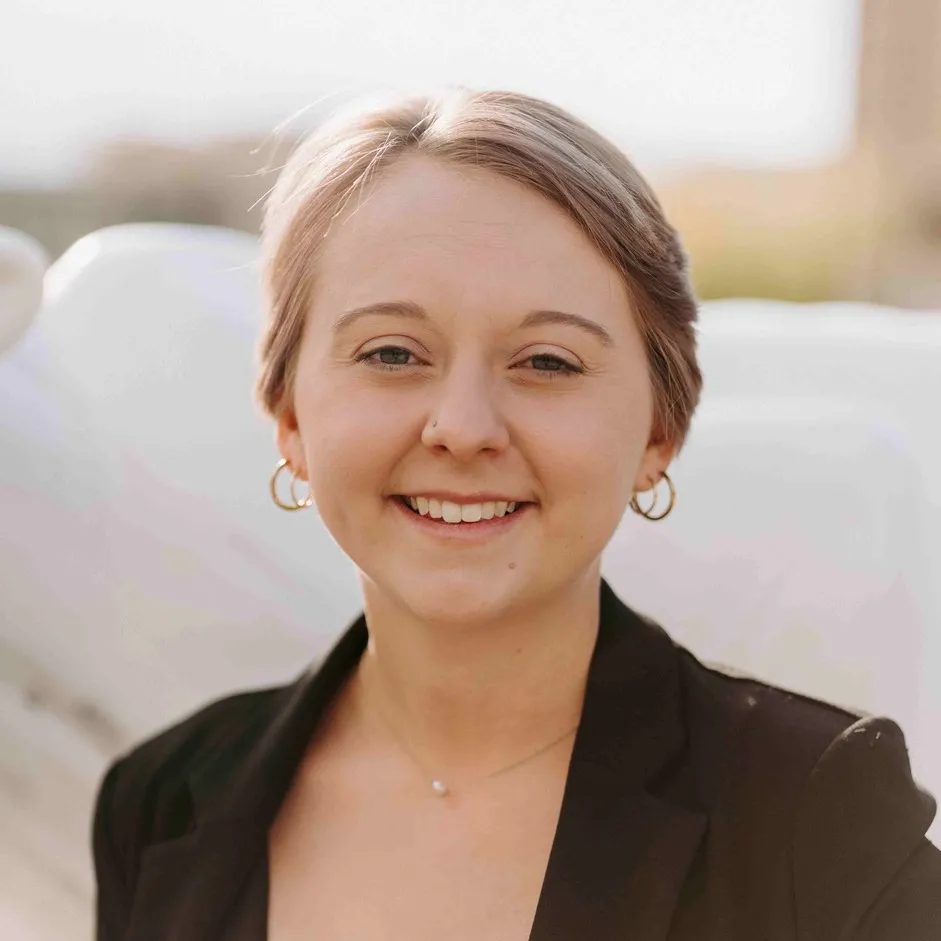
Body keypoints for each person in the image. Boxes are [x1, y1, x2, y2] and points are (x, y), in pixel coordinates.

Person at [91, 88, 941, 941]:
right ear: (289, 417)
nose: (461, 427)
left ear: (659, 429)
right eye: (391, 352)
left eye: (546, 360)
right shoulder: (157, 804)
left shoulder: (818, 816)